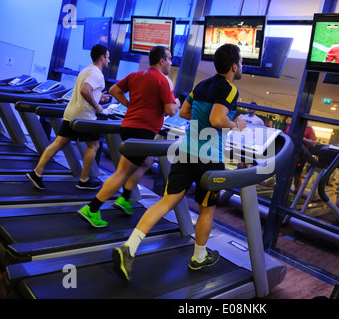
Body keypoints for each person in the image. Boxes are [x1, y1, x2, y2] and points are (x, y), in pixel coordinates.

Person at [112, 43, 247, 281]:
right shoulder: (230, 89)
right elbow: (217, 118)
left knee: (167, 201)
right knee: (207, 209)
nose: (242, 66)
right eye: (241, 63)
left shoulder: (201, 84)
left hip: (186, 152)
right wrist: (236, 124)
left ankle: (129, 247)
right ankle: (199, 258)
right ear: (234, 66)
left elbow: (184, 112)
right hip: (209, 158)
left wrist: (206, 118)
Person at [77, 45, 180, 228]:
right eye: (169, 59)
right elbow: (171, 111)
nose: (171, 63)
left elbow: (115, 90)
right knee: (122, 172)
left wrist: (130, 105)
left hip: (129, 126)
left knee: (147, 161)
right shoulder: (163, 81)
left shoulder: (136, 75)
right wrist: (177, 102)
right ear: (162, 61)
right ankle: (92, 209)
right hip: (142, 131)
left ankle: (125, 198)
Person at [26, 44, 111, 190]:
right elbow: (85, 91)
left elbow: (85, 90)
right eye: (108, 57)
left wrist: (99, 97)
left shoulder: (86, 70)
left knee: (59, 142)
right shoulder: (98, 75)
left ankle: (37, 172)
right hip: (85, 116)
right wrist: (97, 106)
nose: (109, 61)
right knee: (94, 145)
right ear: (102, 57)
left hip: (71, 113)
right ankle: (84, 180)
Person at [285, 123, 318, 195]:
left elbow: (313, 143)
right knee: (282, 175)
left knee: (297, 176)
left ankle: (295, 194)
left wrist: (302, 139)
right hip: (288, 153)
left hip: (299, 156)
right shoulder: (290, 124)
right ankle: (279, 192)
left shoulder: (309, 128)